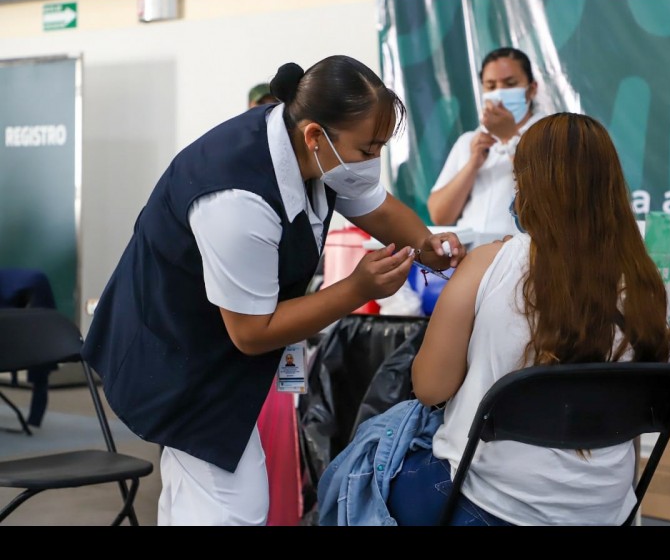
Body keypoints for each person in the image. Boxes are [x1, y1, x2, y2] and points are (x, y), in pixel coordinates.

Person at [82, 55, 466, 526]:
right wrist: (356, 288)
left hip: (214, 346)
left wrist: (427, 245)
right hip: (173, 353)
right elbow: (251, 331)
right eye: (368, 149)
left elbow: (377, 207)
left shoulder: (315, 149)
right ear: (315, 136)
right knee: (232, 507)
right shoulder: (237, 198)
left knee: (204, 500)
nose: (373, 162)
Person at [317, 112, 670, 526]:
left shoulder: (490, 263)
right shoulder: (646, 282)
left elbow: (430, 388)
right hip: (605, 512)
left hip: (486, 505)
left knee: (369, 453)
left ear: (531, 187)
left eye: (518, 183)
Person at [427, 47, 547, 241]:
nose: (499, 93)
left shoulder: (549, 136)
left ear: (531, 89)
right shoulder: (469, 141)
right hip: (468, 252)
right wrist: (472, 164)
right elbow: (440, 216)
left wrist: (509, 140)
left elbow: (550, 201)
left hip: (521, 251)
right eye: (491, 86)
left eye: (510, 84)